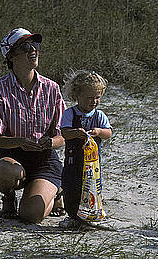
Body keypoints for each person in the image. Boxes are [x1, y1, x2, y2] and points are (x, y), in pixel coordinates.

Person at [0, 27, 66, 223]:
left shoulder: (52, 88)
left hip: (44, 159)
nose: (33, 50)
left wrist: (49, 143)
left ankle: (55, 192)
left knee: (31, 216)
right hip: (13, 156)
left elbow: (64, 134)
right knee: (4, 171)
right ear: (10, 56)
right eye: (25, 46)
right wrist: (20, 142)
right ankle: (9, 196)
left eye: (35, 45)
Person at [59, 70, 113, 229]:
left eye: (97, 97)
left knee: (92, 187)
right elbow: (64, 133)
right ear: (77, 95)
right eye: (90, 97)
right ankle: (72, 215)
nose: (94, 101)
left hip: (92, 163)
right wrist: (76, 133)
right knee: (71, 186)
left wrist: (98, 132)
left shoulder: (99, 116)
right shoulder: (70, 113)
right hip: (73, 161)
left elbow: (108, 132)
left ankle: (91, 214)